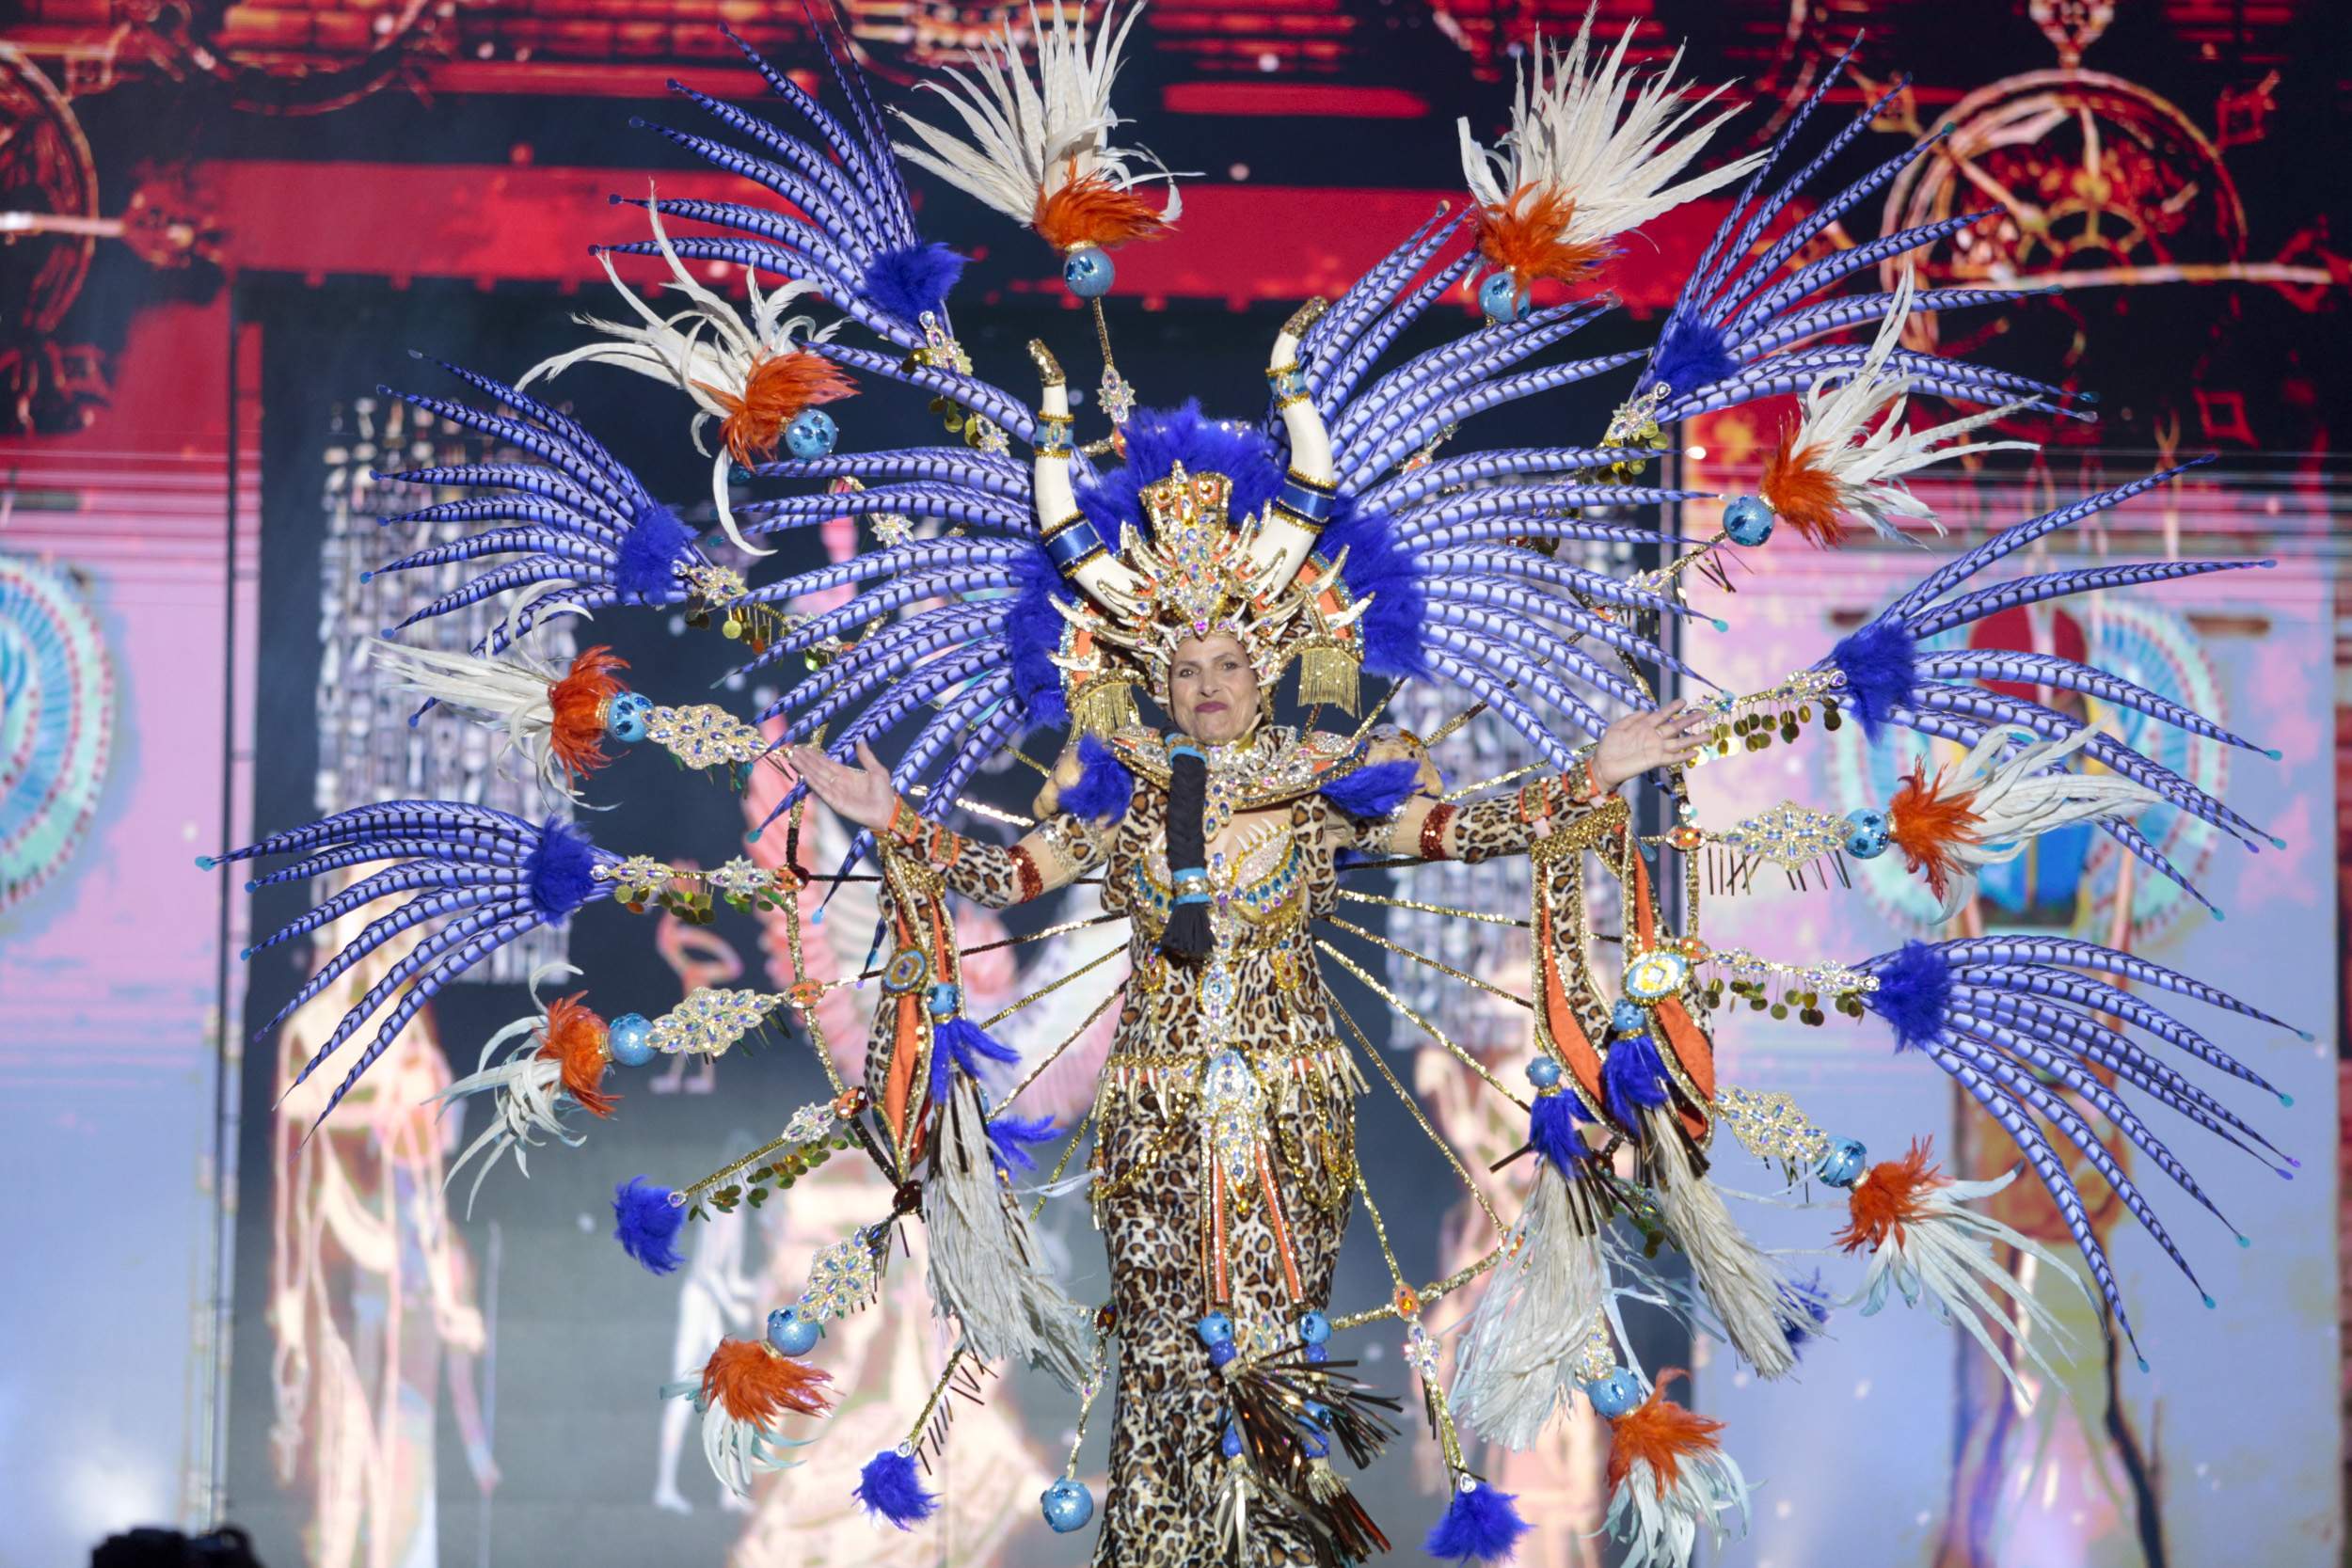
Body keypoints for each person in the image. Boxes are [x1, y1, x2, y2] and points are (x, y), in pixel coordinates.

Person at [781, 639, 1710, 1560]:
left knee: (1270, 1354)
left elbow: (1461, 831)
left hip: (1287, 1116)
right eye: (1184, 669)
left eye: (1227, 663)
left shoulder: (1322, 787)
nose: (1206, 685)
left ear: (1264, 675)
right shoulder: (1123, 792)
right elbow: (1010, 874)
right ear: (1159, 686)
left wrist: (1596, 770)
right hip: (1154, 1121)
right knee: (1159, 1354)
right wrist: (891, 817)